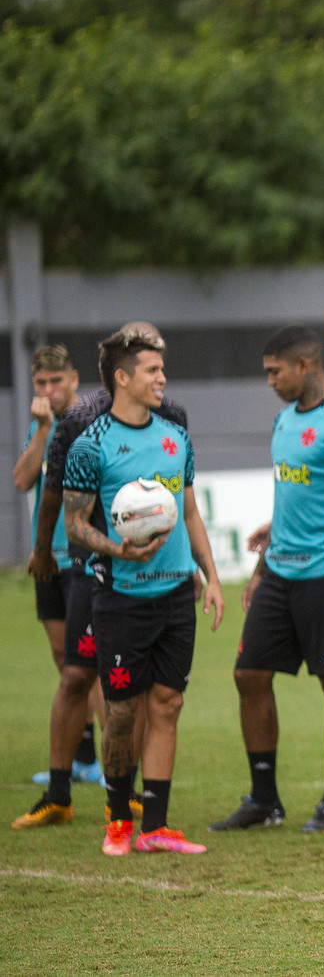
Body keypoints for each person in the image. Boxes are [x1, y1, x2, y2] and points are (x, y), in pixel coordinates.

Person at [210, 327, 324, 835]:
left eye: (275, 371)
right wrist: (259, 568)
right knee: (248, 675)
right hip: (281, 574)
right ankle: (264, 799)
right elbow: (285, 500)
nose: (269, 381)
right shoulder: (282, 420)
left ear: (306, 366)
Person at [62, 327, 227, 856]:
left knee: (169, 703)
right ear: (123, 378)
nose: (162, 378)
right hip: (120, 597)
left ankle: (155, 827)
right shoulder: (91, 445)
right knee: (122, 712)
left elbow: (192, 511)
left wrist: (212, 575)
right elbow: (74, 525)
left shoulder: (175, 435)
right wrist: (117, 549)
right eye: (153, 370)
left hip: (177, 593)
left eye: (162, 369)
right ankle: (117, 820)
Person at [13, 344, 103, 830]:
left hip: (85, 560)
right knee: (63, 661)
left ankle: (113, 768)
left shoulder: (93, 421)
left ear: (73, 377)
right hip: (46, 559)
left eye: (55, 382)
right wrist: (42, 429)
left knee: (87, 662)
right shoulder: (40, 427)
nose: (48, 391)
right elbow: (22, 480)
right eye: (40, 384)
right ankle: (84, 757)